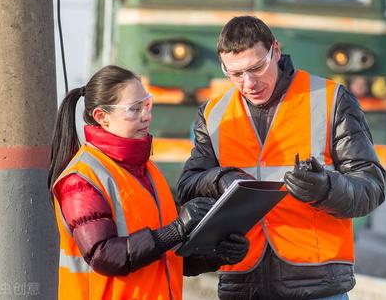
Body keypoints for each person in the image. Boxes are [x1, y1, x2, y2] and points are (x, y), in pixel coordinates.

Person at [177, 16, 386, 299]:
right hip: (243, 283)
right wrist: (222, 179)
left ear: (275, 50)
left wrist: (325, 188)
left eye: (256, 67)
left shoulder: (331, 99)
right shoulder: (213, 114)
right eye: (235, 74)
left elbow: (371, 187)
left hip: (317, 284)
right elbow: (188, 185)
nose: (248, 83)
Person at [47, 65, 249, 299]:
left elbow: (168, 256)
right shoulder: (80, 180)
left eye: (147, 105)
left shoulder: (149, 171)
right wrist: (176, 230)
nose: (146, 116)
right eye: (134, 109)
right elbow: (104, 256)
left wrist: (217, 255)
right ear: (102, 117)